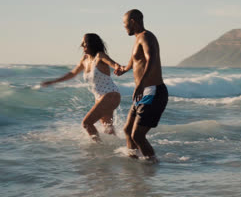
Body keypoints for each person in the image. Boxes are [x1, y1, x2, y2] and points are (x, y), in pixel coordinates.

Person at [41, 33, 121, 142]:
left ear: (92, 44)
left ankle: (100, 148)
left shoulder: (100, 56)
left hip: (111, 95)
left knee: (86, 123)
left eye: (85, 43)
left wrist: (118, 68)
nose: (82, 45)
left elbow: (114, 64)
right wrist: (53, 81)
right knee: (109, 130)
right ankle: (119, 150)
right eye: (82, 43)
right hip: (100, 98)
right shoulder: (84, 59)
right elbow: (72, 73)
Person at [114, 9, 168, 162]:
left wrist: (141, 84)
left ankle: (152, 166)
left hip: (153, 91)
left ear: (132, 22)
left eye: (125, 24)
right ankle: (134, 163)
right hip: (143, 92)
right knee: (127, 130)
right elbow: (135, 62)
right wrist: (123, 70)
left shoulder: (146, 37)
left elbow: (151, 58)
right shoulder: (138, 38)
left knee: (137, 135)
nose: (124, 28)